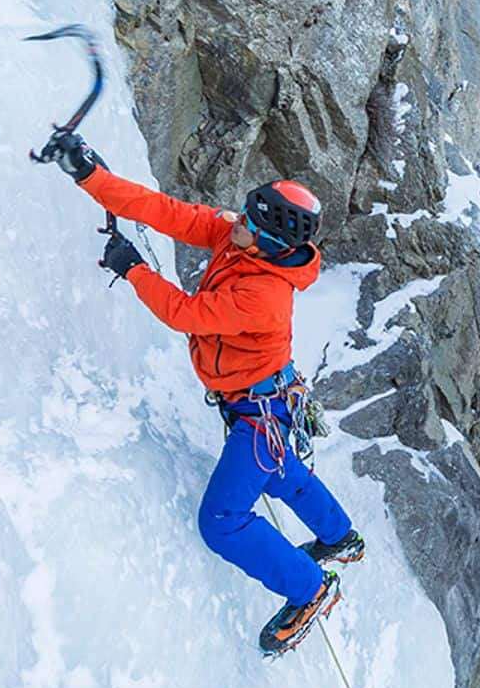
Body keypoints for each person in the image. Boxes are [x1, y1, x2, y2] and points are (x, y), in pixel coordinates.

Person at [42, 131, 364, 656]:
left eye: (249, 223)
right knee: (282, 473)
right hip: (266, 404)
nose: (235, 221)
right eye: (243, 213)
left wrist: (134, 270)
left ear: (272, 243)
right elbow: (165, 211)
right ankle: (340, 538)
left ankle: (310, 590)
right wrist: (89, 174)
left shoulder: (263, 296)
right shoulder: (237, 239)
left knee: (222, 521)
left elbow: (184, 315)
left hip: (259, 412)